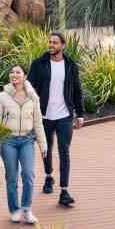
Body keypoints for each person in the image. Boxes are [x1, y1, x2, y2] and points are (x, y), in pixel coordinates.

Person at [27, 31, 85, 207]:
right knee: (46, 149)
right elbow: (29, 87)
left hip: (64, 116)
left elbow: (77, 91)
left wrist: (80, 114)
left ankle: (64, 191)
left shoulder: (71, 66)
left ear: (62, 45)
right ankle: (48, 176)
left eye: (55, 42)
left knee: (64, 152)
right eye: (50, 42)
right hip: (44, 115)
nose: (51, 45)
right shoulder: (39, 64)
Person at [0, 65, 48, 224]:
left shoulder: (32, 97)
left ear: (24, 76)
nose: (14, 74)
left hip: (27, 140)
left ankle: (27, 209)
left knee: (28, 175)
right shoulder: (1, 97)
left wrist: (43, 144)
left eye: (18, 72)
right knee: (12, 178)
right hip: (8, 141)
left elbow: (38, 123)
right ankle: (14, 210)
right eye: (11, 72)